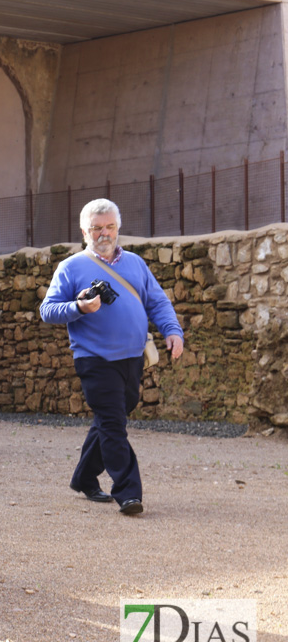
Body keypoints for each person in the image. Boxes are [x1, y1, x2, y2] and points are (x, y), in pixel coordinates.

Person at [39, 198, 184, 515]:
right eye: (96, 228)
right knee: (114, 425)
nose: (104, 234)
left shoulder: (135, 263)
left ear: (118, 228)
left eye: (109, 227)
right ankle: (129, 492)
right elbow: (47, 311)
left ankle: (84, 477)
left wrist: (173, 331)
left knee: (111, 418)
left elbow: (157, 302)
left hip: (132, 358)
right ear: (84, 231)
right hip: (94, 359)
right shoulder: (71, 267)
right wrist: (78, 307)